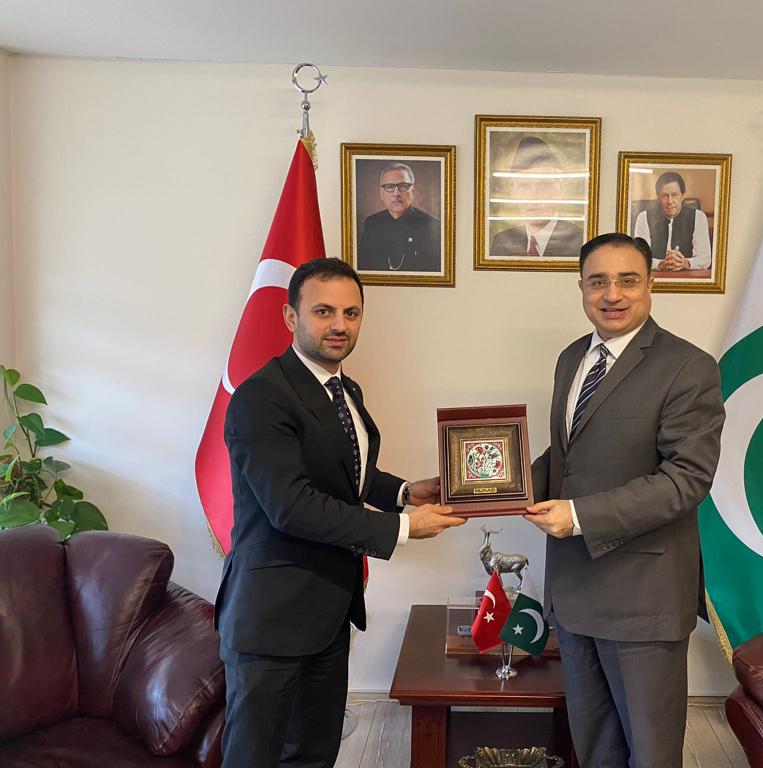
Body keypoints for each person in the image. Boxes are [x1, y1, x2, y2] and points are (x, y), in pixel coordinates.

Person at [214, 258, 465, 768]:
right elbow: (292, 506)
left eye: (351, 313)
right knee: (253, 757)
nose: (339, 325)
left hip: (329, 612)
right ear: (291, 316)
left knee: (315, 752)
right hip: (271, 618)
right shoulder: (261, 397)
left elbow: (346, 472)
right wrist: (403, 527)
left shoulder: (345, 389)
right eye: (323, 311)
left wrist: (405, 492)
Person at [525, 233, 725, 768]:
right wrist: (492, 484)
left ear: (650, 284)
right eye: (598, 281)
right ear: (581, 287)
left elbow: (686, 479)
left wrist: (579, 515)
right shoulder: (572, 357)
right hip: (574, 590)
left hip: (643, 600)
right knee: (594, 750)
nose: (612, 294)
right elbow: (566, 456)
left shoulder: (688, 367)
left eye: (627, 280)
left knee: (650, 754)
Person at [489, 136, 585, 258]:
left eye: (545, 186)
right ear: (511, 192)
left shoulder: (581, 241)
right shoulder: (501, 242)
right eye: (523, 186)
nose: (533, 197)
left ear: (561, 190)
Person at [358, 163, 442, 272]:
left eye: (403, 186)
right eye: (389, 187)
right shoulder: (372, 223)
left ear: (412, 192)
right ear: (381, 194)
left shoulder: (433, 226)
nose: (396, 193)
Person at [633, 171, 712, 271]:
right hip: (655, 275)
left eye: (674, 195)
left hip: (687, 275)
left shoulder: (698, 217)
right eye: (665, 196)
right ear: (658, 197)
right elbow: (639, 258)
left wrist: (685, 263)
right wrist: (660, 264)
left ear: (682, 196)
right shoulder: (643, 217)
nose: (670, 201)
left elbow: (705, 259)